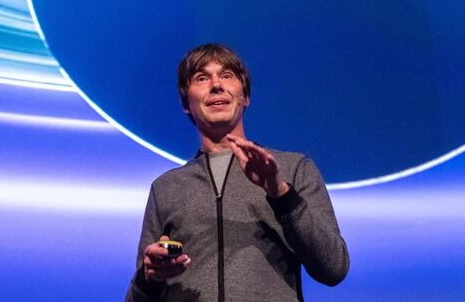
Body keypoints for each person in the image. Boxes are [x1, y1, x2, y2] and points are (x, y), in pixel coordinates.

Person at [125, 43, 349, 301]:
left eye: (227, 75)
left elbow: (334, 268)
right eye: (201, 78)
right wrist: (148, 277)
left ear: (245, 96)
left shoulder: (294, 168)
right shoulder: (166, 188)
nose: (216, 85)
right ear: (186, 103)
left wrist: (281, 194)